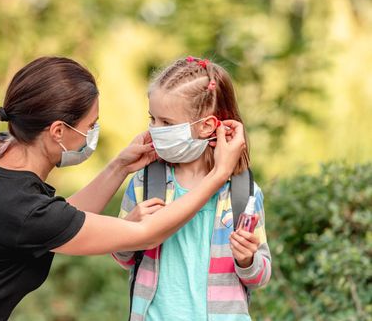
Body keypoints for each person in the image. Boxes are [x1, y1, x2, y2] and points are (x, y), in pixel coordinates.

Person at [0, 56, 245, 320]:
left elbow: (60, 221)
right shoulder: (20, 208)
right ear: (58, 131)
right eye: (90, 125)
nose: (93, 133)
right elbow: (147, 235)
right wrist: (219, 175)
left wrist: (119, 166)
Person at [112, 56, 271, 321]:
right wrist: (129, 228)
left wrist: (247, 260)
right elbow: (124, 257)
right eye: (152, 119)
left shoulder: (243, 193)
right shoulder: (145, 183)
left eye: (167, 123)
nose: (155, 130)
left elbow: (260, 276)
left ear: (207, 125)